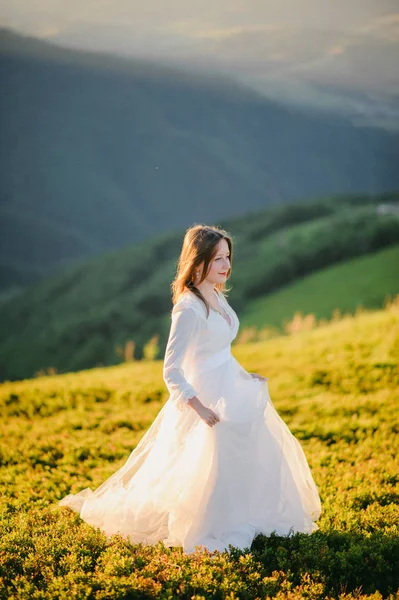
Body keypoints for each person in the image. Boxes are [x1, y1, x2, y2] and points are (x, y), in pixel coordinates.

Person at [58, 224, 322, 554]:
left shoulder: (217, 295)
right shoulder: (188, 307)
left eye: (227, 257)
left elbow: (219, 350)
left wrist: (244, 375)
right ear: (197, 263)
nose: (226, 266)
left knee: (248, 449)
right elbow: (172, 369)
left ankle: (248, 511)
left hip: (229, 387)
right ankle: (214, 520)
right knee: (208, 462)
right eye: (217, 260)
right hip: (205, 398)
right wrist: (198, 408)